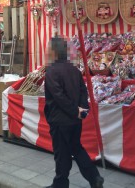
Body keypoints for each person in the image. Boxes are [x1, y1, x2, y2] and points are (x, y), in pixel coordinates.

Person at [44, 37, 104, 188]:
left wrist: (74, 110)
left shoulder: (52, 71)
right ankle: (94, 177)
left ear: (54, 52)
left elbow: (58, 96)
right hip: (75, 120)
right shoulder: (74, 70)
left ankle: (60, 183)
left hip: (60, 119)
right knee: (76, 148)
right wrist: (81, 110)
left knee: (62, 153)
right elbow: (83, 91)